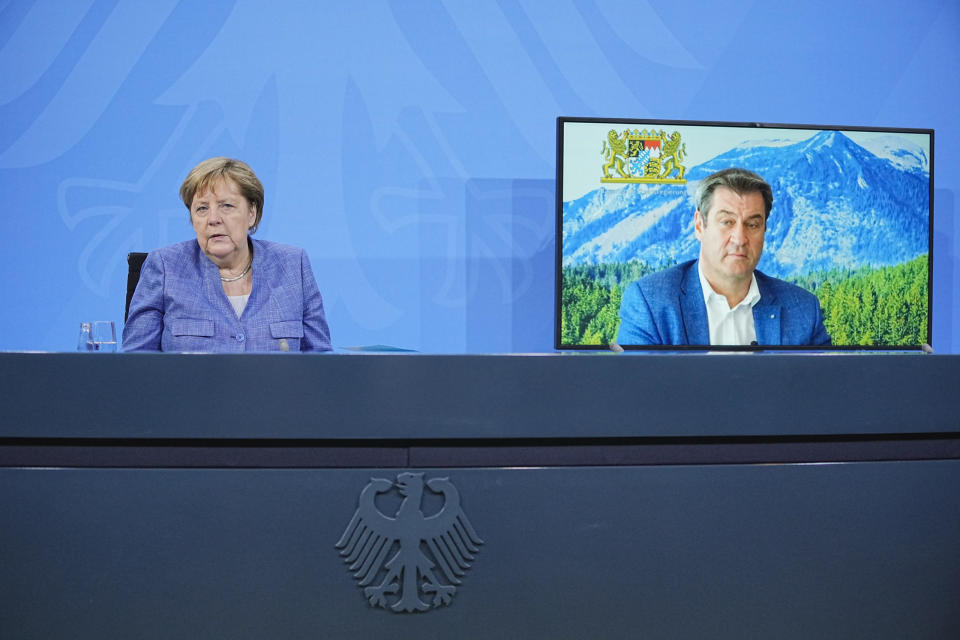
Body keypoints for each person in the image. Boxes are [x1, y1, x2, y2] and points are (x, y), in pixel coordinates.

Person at [122, 157, 332, 352]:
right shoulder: (165, 267)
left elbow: (321, 365)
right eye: (202, 208)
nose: (213, 219)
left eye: (227, 206)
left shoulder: (293, 265)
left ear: (252, 213)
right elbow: (136, 367)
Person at [616, 167, 830, 347]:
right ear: (700, 225)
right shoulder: (651, 303)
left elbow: (825, 392)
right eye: (727, 222)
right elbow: (638, 392)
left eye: (753, 224)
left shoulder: (802, 309)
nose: (740, 238)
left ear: (764, 229)